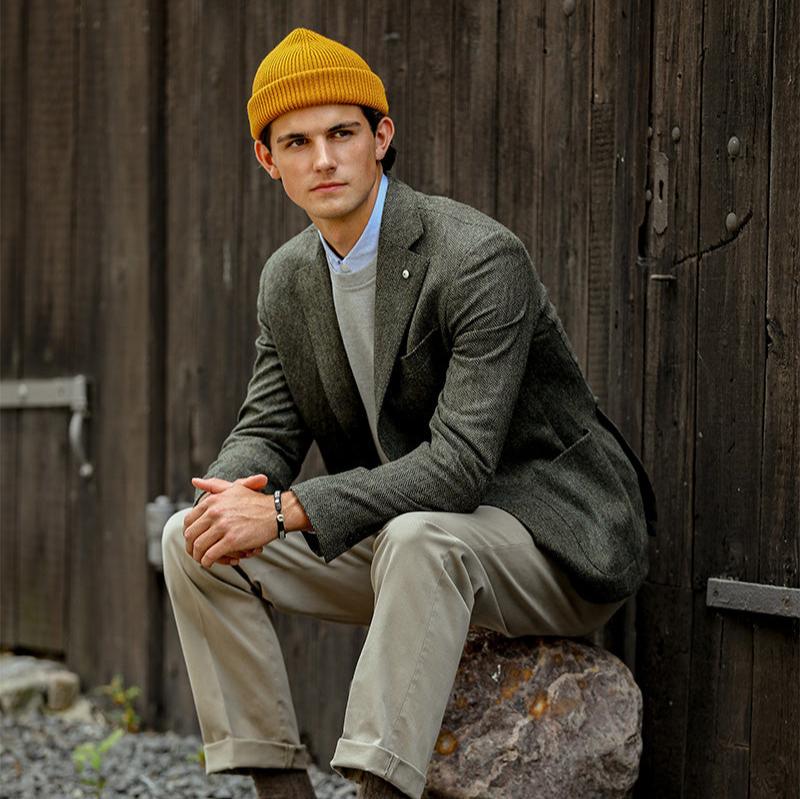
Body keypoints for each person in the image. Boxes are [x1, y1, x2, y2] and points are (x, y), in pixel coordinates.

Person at [162, 27, 657, 799]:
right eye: (297, 142)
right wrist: (229, 496)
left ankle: (377, 787)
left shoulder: (476, 256)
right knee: (190, 539)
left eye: (342, 134)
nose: (322, 159)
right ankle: (276, 783)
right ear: (268, 160)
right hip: (408, 545)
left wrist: (289, 510)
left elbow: (460, 465)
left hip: (550, 541)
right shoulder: (288, 279)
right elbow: (267, 428)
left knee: (421, 533)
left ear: (381, 137)